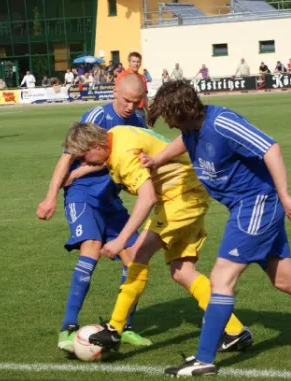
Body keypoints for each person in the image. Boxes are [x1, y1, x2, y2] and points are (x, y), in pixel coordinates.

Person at [142, 80, 291, 377]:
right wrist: (157, 159)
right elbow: (186, 140)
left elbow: (270, 148)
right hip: (244, 207)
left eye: (173, 119)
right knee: (286, 280)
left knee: (221, 277)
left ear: (187, 109)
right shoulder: (191, 128)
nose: (172, 126)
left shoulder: (223, 122)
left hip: (256, 204)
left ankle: (204, 359)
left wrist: (285, 197)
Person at [62, 123, 253, 354]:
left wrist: (121, 240)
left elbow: (147, 198)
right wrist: (84, 171)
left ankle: (115, 328)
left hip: (180, 199)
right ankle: (236, 332)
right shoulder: (117, 133)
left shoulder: (123, 156)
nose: (85, 163)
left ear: (96, 145)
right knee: (182, 272)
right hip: (189, 193)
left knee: (137, 254)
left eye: (85, 158)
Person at [36, 74, 152, 352]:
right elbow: (66, 158)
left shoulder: (137, 122)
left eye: (136, 102)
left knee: (135, 258)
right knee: (92, 246)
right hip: (82, 195)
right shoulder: (96, 116)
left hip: (111, 200)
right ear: (115, 92)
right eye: (126, 100)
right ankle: (68, 327)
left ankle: (122, 327)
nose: (130, 107)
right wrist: (50, 197)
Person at [115, 52, 149, 120]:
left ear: (140, 63)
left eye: (138, 62)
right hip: (125, 110)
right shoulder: (122, 76)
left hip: (140, 111)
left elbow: (144, 96)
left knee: (142, 130)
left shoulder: (142, 78)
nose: (136, 64)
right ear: (129, 62)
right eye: (133, 61)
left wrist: (149, 111)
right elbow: (117, 94)